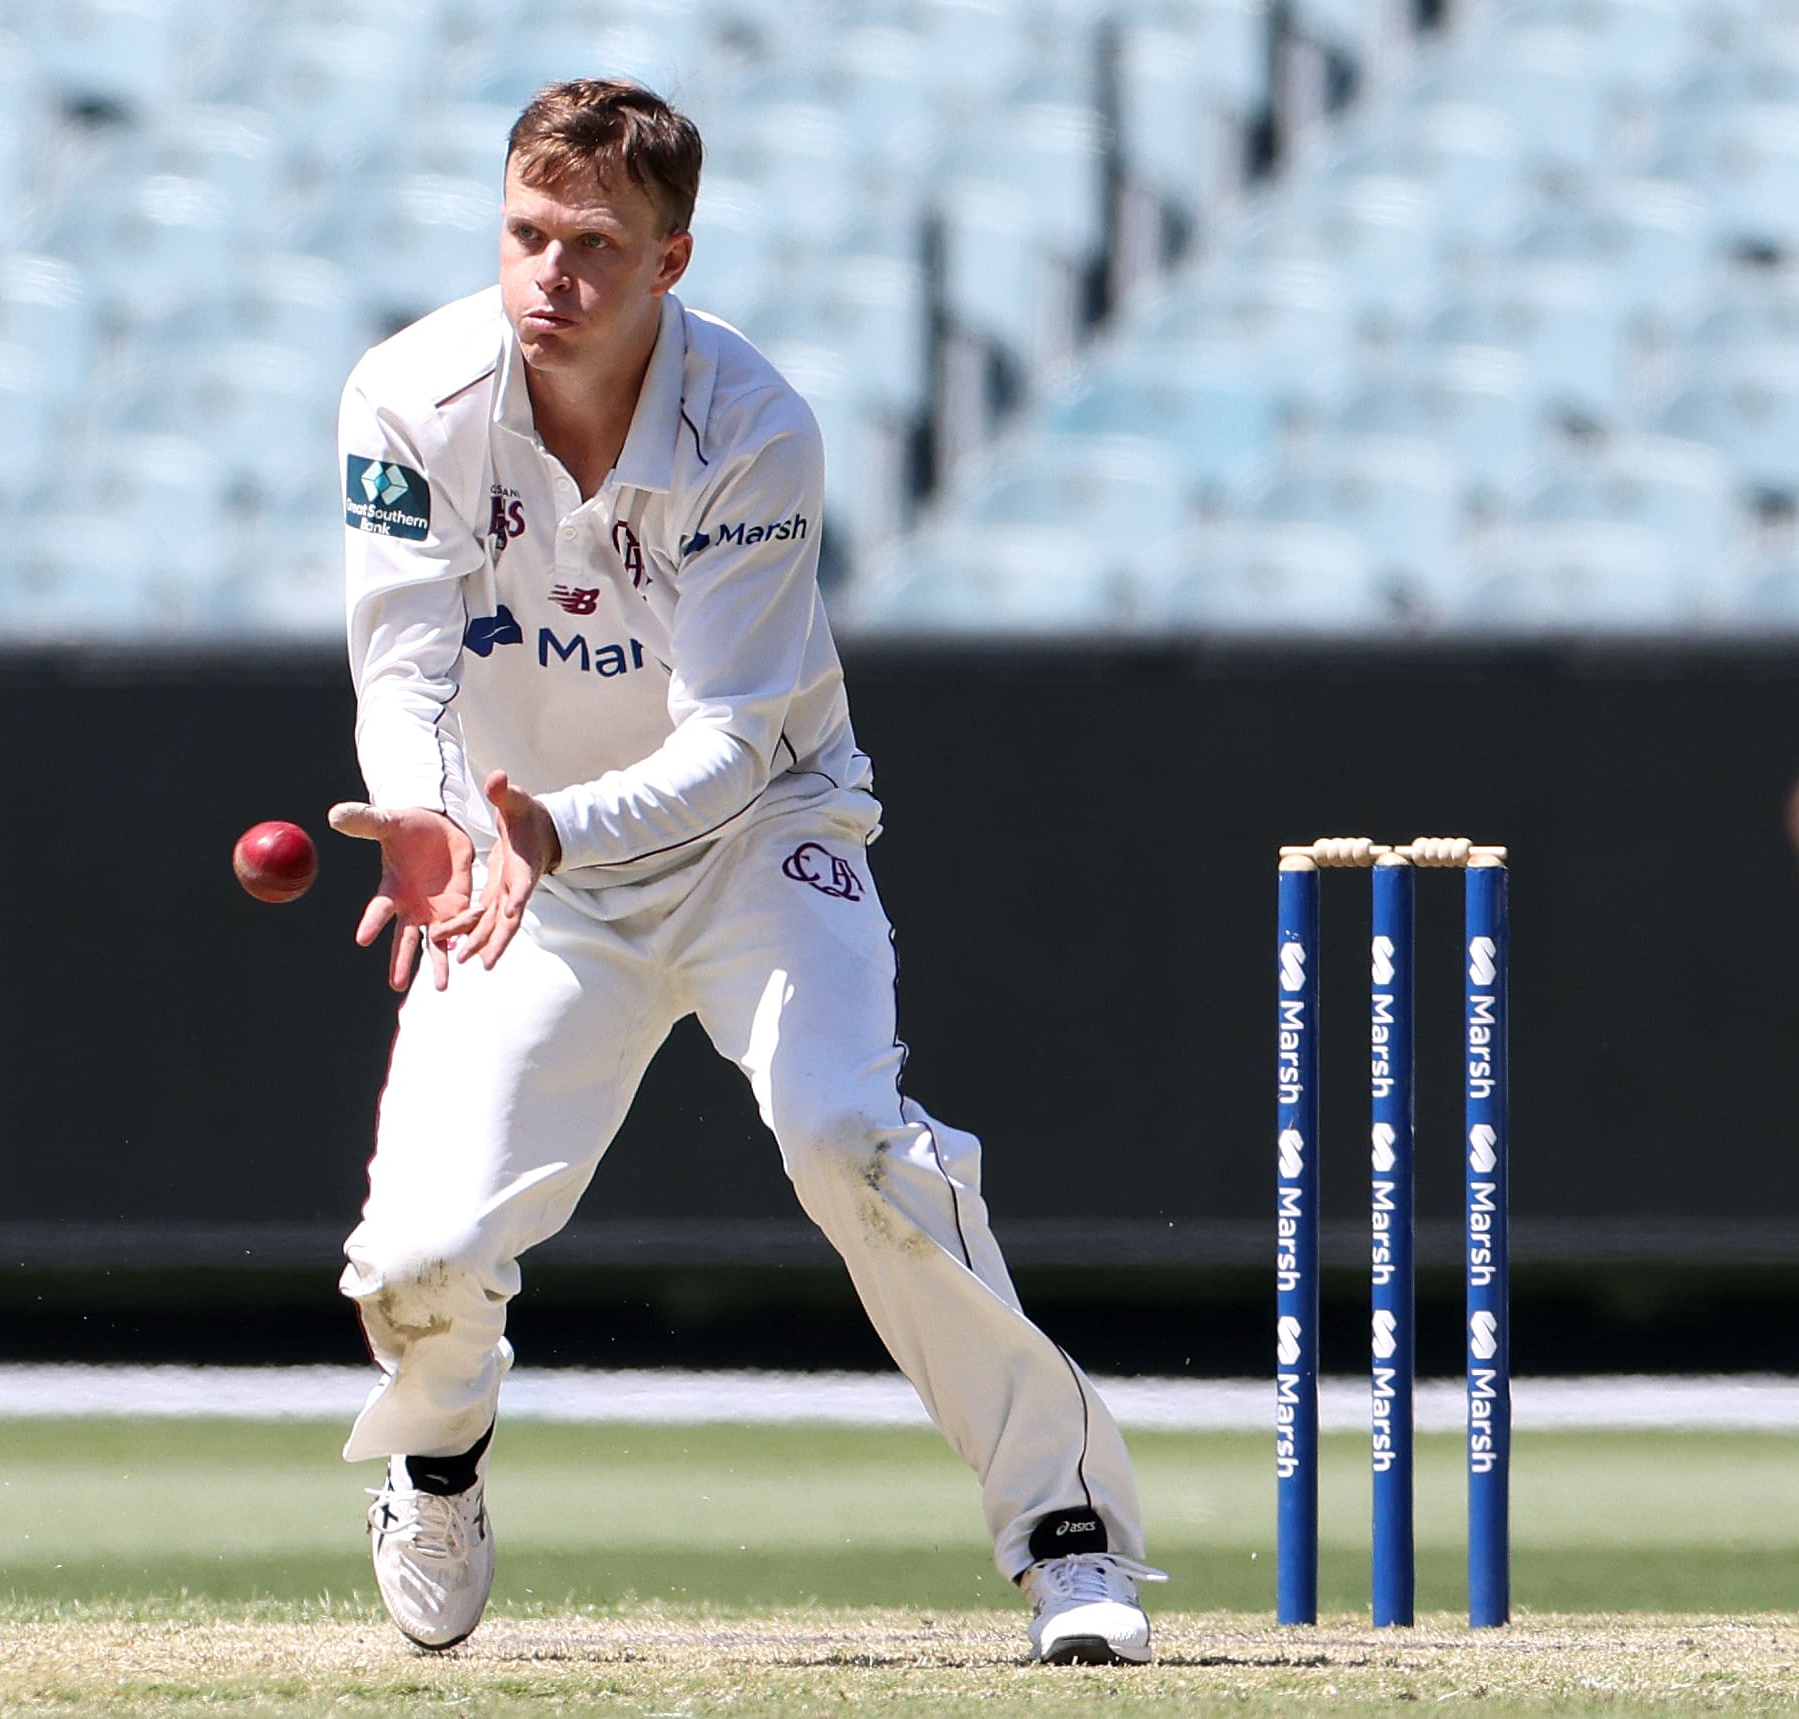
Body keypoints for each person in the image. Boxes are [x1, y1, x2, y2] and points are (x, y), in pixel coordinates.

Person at [325, 78, 1161, 1665]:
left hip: (757, 838)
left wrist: (542, 829)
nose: (548, 277)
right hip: (526, 871)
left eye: (593, 245)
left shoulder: (753, 422)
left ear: (671, 258)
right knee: (424, 1258)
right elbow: (402, 670)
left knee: (853, 1141)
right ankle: (435, 1459)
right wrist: (433, 818)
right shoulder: (407, 395)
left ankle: (1065, 1532)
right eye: (523, 235)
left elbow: (728, 737)